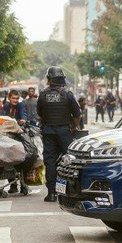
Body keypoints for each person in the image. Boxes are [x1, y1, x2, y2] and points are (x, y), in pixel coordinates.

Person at [37, 66, 81, 202]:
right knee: (70, 161)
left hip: (48, 133)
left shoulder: (43, 94)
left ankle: (51, 193)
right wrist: (74, 127)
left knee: (50, 162)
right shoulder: (68, 94)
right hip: (64, 133)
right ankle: (71, 192)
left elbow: (40, 114)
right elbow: (77, 114)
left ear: (49, 79)